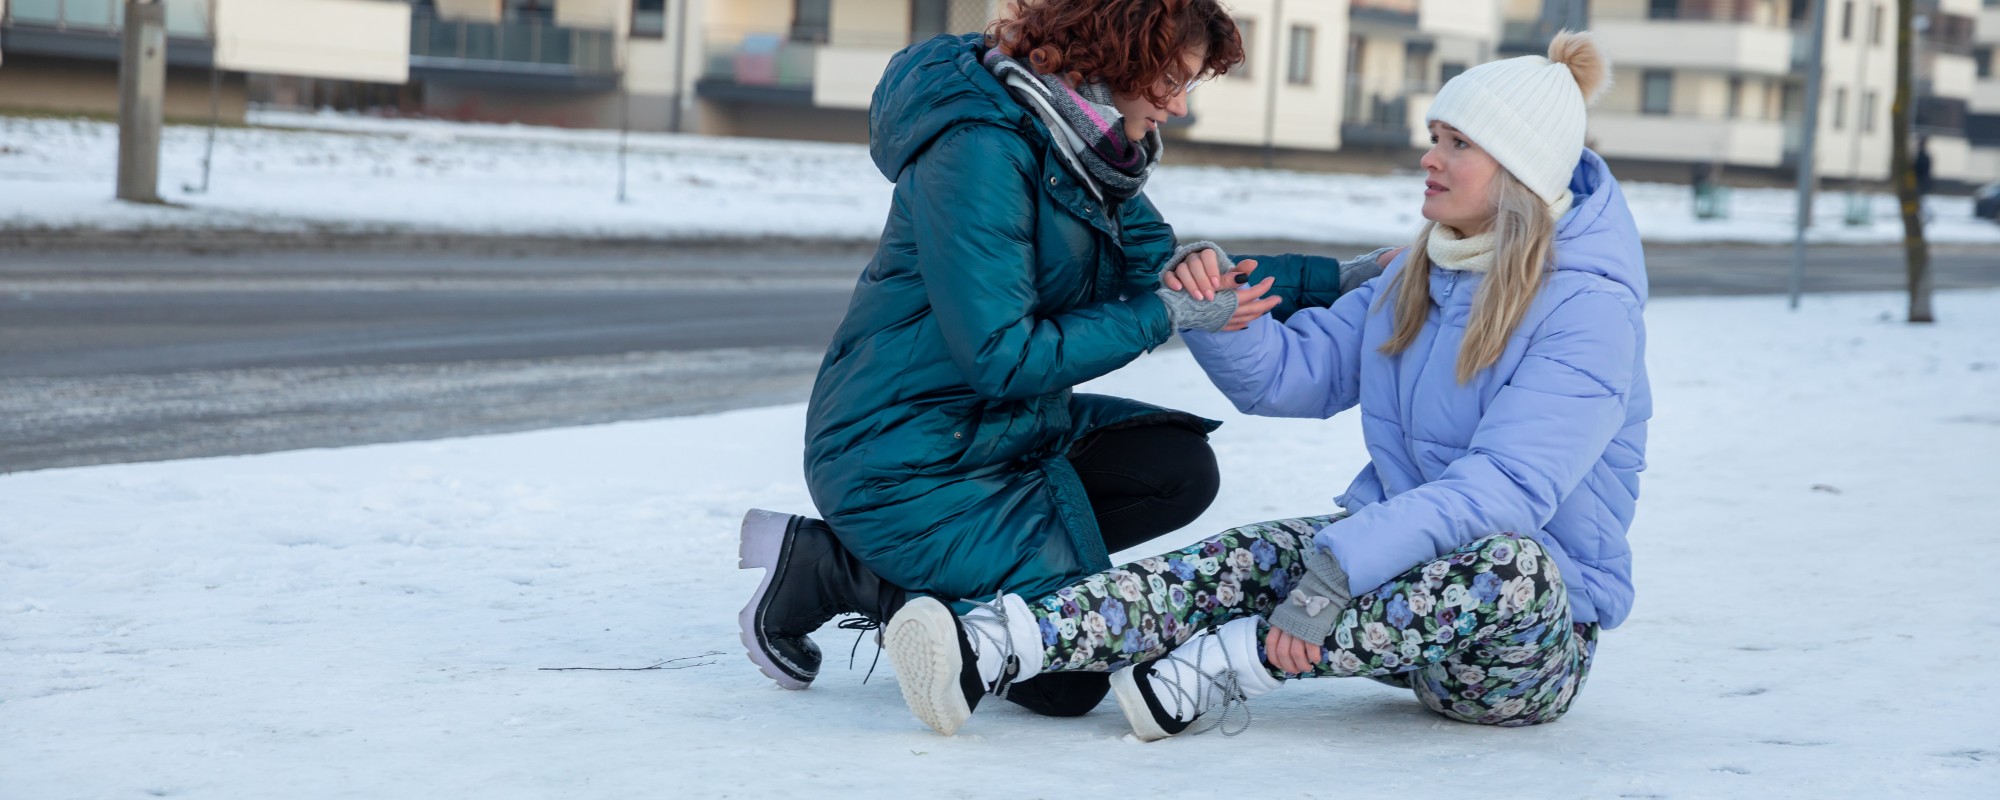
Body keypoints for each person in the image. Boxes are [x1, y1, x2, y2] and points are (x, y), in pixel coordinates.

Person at [880, 31, 1652, 739]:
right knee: (1252, 556)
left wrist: (1338, 571)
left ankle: (1222, 669)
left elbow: (1507, 487)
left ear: (1519, 171)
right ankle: (996, 644)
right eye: (1435, 138)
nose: (1431, 157)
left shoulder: (1590, 312)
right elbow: (1294, 375)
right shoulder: (1426, 270)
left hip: (1520, 649)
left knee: (1512, 562)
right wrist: (1216, 313)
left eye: (1459, 145)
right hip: (1390, 608)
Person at [736, 0, 1382, 717]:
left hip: (1001, 431)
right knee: (1073, 675)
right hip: (901, 455)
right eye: (1166, 78)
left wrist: (1343, 279)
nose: (1174, 105)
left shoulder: (1087, 150)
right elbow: (1000, 356)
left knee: (1177, 468)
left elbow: (1167, 270)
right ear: (1110, 56)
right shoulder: (979, 148)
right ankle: (833, 570)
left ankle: (986, 577)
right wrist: (1166, 315)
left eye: (1187, 84)